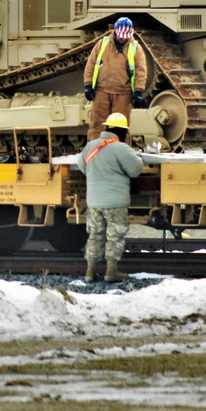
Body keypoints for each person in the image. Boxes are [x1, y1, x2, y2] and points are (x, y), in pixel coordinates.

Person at [77, 112, 144, 283]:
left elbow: (82, 167)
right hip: (115, 202)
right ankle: (111, 272)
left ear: (107, 128)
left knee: (95, 235)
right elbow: (135, 170)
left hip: (94, 202)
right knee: (115, 236)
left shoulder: (90, 146)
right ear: (122, 132)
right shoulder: (121, 148)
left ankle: (90, 272)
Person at [83, 16, 148, 143]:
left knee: (121, 127)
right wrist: (88, 85)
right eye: (121, 35)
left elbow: (141, 71)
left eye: (126, 35)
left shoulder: (135, 48)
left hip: (123, 93)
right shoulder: (102, 44)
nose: (123, 38)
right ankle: (95, 151)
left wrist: (138, 91)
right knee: (97, 125)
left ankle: (120, 151)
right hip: (102, 91)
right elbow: (90, 64)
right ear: (115, 31)